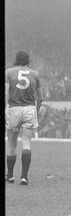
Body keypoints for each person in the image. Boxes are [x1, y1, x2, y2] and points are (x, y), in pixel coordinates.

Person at [5, 51, 44, 185]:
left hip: (14, 108)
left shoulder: (9, 72)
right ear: (28, 60)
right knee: (26, 142)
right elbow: (41, 97)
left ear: (16, 59)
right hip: (29, 109)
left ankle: (10, 176)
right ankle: (24, 177)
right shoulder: (35, 74)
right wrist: (36, 111)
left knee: (11, 143)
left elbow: (6, 93)